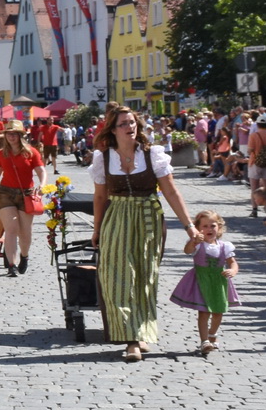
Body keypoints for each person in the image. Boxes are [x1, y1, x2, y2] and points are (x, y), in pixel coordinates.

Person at [89, 104, 196, 362]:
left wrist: (189, 226)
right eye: (124, 124)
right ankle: (131, 339)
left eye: (133, 122)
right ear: (113, 130)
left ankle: (142, 331)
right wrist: (97, 228)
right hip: (117, 217)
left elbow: (171, 192)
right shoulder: (103, 158)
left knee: (145, 275)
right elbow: (101, 196)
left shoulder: (153, 154)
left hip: (148, 217)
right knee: (118, 276)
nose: (130, 127)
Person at [0, 122, 47, 278]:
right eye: (8, 133)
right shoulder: (1, 153)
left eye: (14, 133)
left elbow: (41, 171)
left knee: (25, 232)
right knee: (11, 228)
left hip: (26, 194)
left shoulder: (31, 152)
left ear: (21, 135)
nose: (11, 136)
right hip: (5, 193)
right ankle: (12, 265)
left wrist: (42, 185)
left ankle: (24, 255)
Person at [169, 210, 239, 357]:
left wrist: (232, 271)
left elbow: (233, 263)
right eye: (205, 226)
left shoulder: (224, 246)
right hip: (201, 280)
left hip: (218, 281)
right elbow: (187, 251)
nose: (209, 229)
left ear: (219, 227)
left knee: (218, 312)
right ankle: (204, 340)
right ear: (198, 228)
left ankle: (213, 333)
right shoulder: (198, 245)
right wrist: (194, 241)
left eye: (212, 225)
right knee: (204, 311)